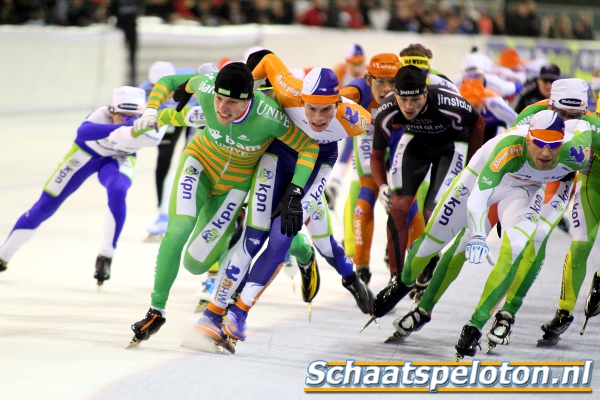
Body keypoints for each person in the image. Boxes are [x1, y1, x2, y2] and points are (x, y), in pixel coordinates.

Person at [129, 62, 320, 346]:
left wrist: (294, 191)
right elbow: (169, 81)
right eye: (219, 99)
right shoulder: (207, 87)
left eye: (232, 103)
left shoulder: (269, 115)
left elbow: (310, 146)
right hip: (199, 163)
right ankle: (156, 310)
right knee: (178, 230)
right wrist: (151, 110)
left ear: (249, 100)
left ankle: (294, 247)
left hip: (235, 186)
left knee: (195, 264)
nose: (222, 108)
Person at [194, 50, 373, 346]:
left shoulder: (357, 120)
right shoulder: (288, 89)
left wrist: (297, 192)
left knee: (283, 238)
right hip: (280, 155)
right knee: (252, 238)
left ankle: (240, 311)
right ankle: (212, 314)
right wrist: (250, 86)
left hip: (316, 164)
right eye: (311, 109)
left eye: (326, 111)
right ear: (300, 99)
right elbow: (265, 58)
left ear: (338, 104)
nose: (317, 118)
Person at [0, 87, 160, 285]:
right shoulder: (102, 114)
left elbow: (155, 138)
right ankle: (3, 255)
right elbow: (83, 131)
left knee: (118, 191)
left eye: (133, 117)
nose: (127, 120)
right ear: (112, 111)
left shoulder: (149, 124)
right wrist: (129, 129)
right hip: (84, 156)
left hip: (118, 159)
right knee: (44, 207)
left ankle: (106, 255)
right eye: (122, 116)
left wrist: (135, 126)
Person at [369, 65, 485, 318]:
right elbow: (376, 156)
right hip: (416, 144)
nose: (408, 107)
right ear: (395, 95)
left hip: (452, 146)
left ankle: (422, 258)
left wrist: (472, 170)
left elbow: (478, 125)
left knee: (434, 212)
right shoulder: (387, 111)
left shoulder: (449, 104)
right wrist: (383, 187)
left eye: (415, 99)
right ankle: (397, 279)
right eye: (403, 99)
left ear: (425, 94)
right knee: (398, 206)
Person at [337, 53, 401, 286]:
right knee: (366, 197)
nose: (386, 89)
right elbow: (322, 107)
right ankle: (361, 268)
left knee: (403, 202)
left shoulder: (409, 91)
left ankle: (399, 266)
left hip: (397, 138)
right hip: (369, 137)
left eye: (393, 82)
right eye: (380, 82)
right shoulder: (355, 93)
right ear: (367, 80)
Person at [459, 78, 517, 143]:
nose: (472, 111)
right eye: (469, 107)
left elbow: (516, 120)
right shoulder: (459, 105)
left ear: (483, 101)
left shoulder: (494, 103)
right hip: (479, 128)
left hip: (497, 125)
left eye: (475, 106)